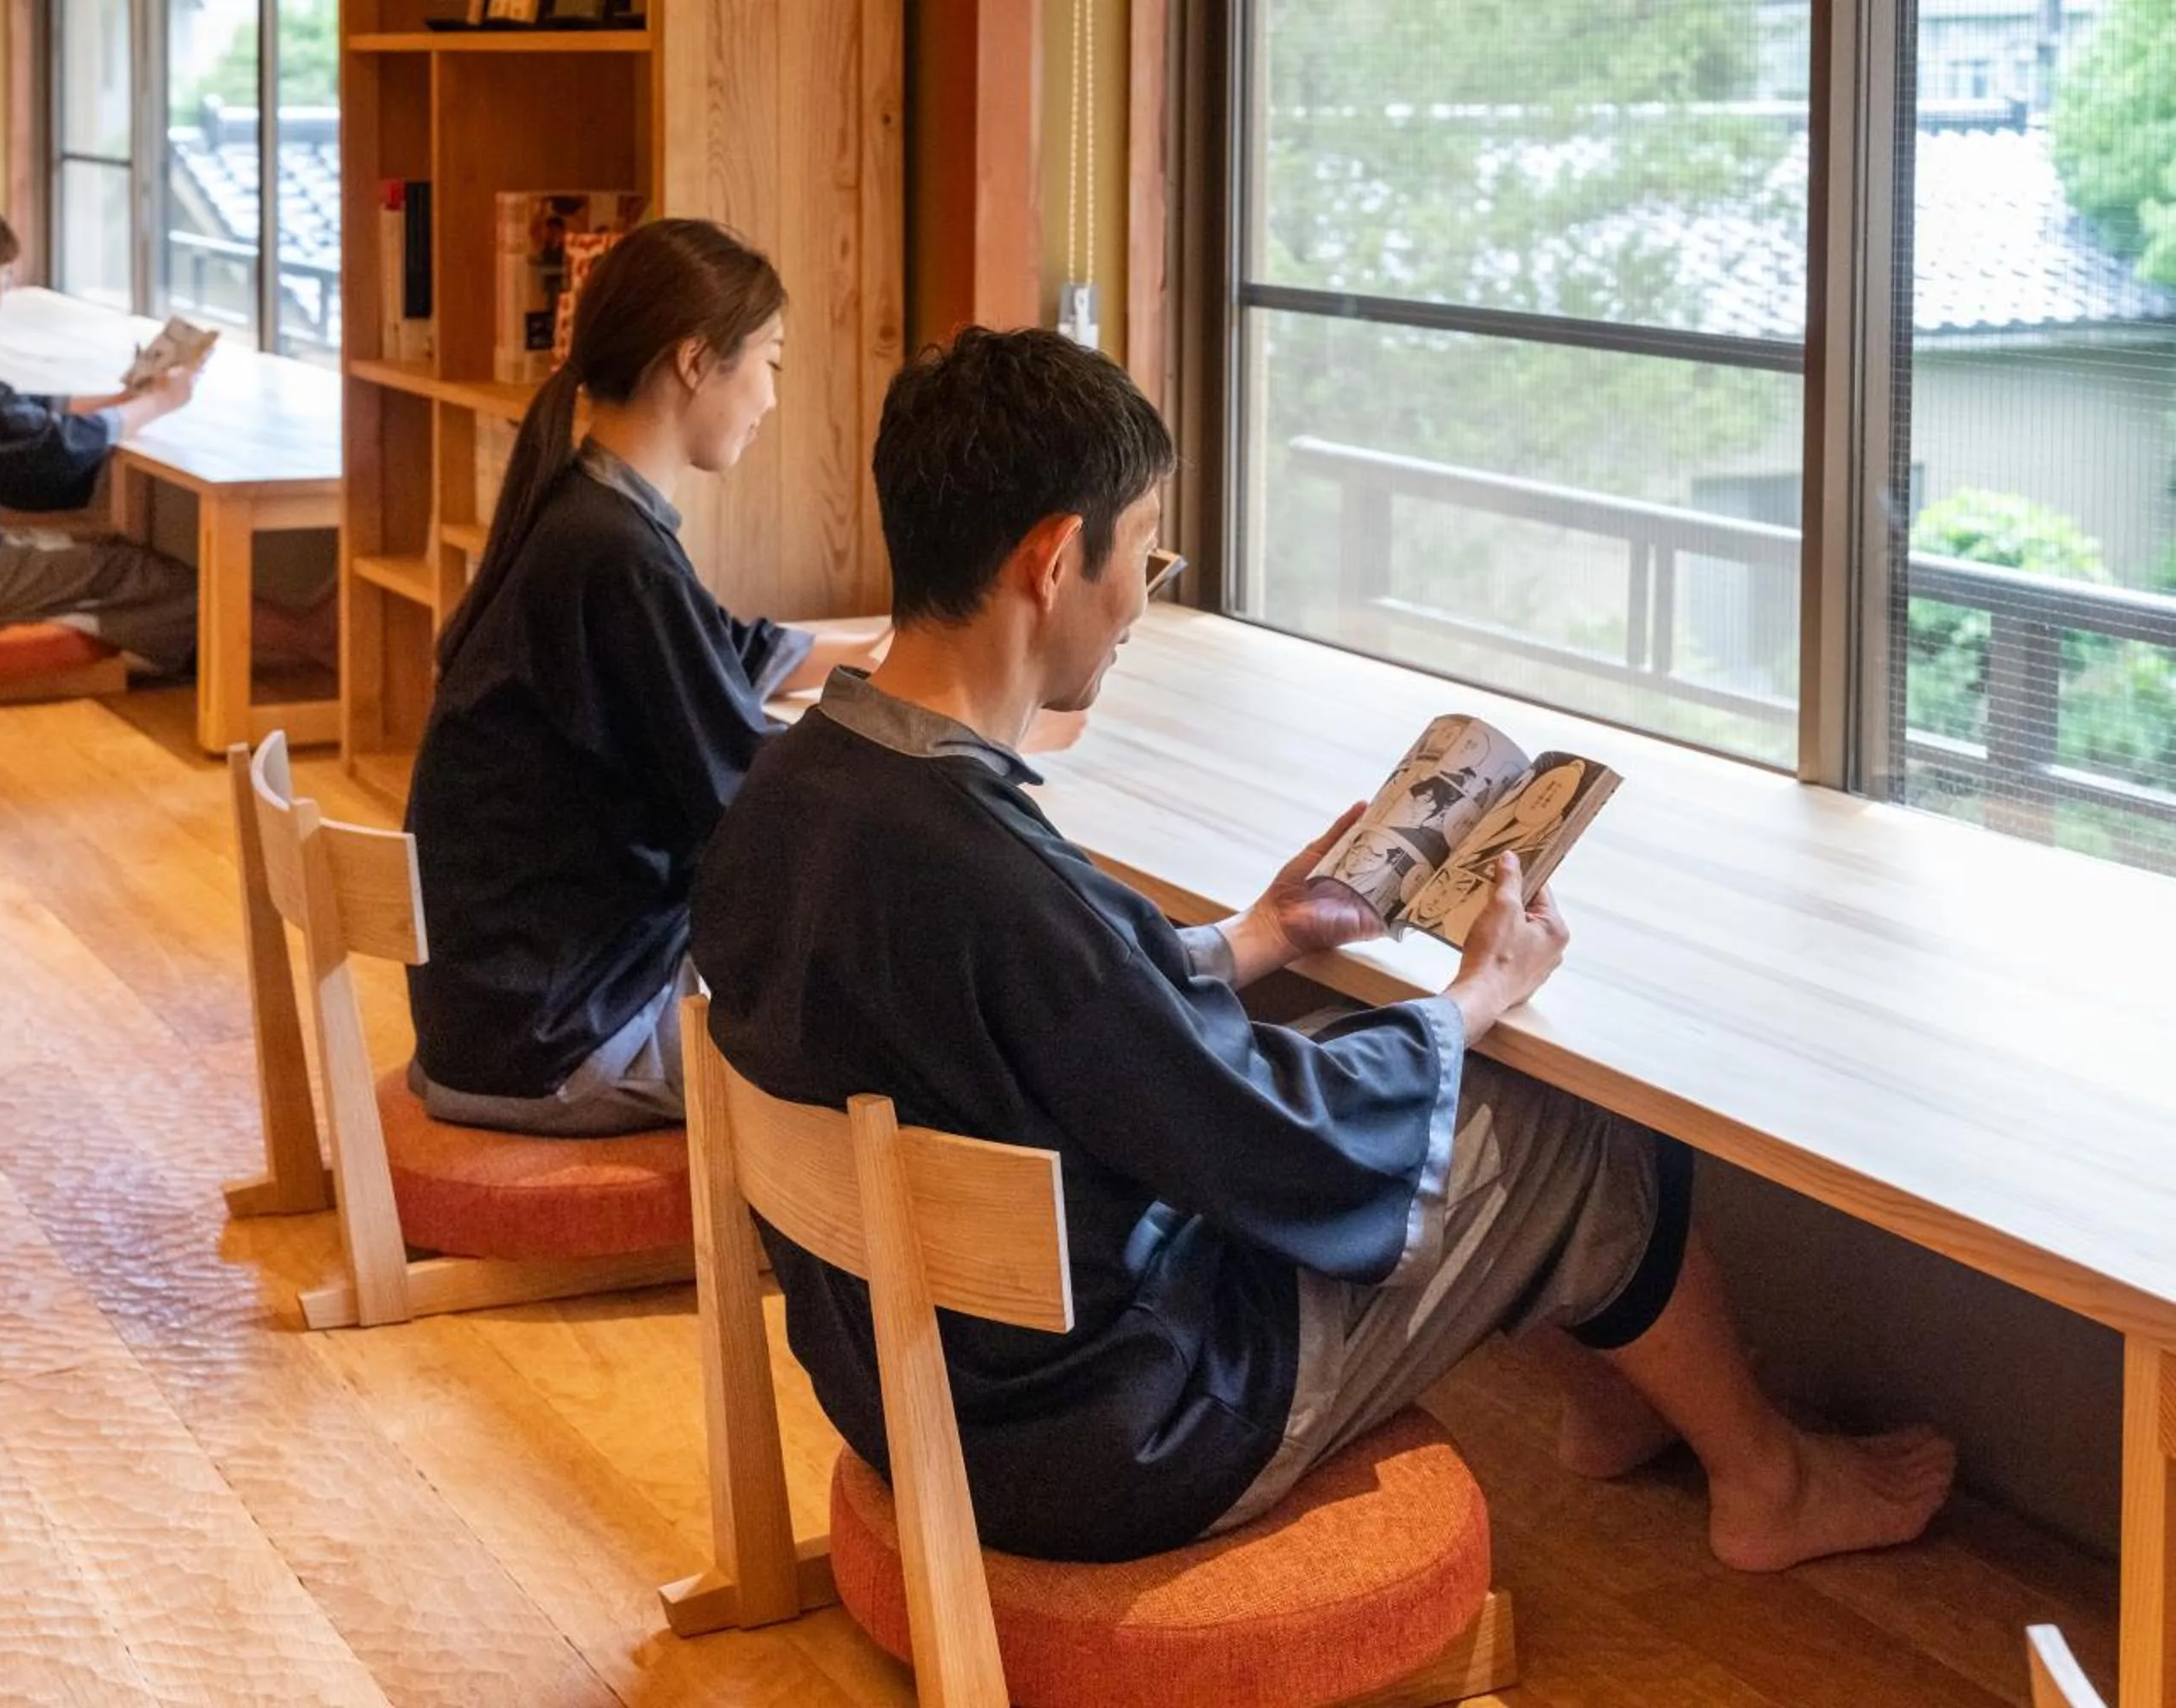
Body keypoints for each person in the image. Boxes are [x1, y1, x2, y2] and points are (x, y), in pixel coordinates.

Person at [690, 326, 1957, 1571]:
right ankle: (1770, 1482)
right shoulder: (995, 871)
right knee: (1558, 1121)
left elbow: (1059, 1010)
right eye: (1142, 552)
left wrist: (1265, 934)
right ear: (1054, 559)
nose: (1140, 598)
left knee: (1347, 1048)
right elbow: (1257, 1127)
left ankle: (1624, 1405)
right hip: (1108, 1439)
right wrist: (1474, 997)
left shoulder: (795, 788)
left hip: (914, 1391)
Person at [401, 219, 885, 1138]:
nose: (772, 398)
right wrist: (904, 746)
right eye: (770, 362)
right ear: (697, 360)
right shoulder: (613, 552)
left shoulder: (583, 509)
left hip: (504, 1012)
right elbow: (748, 802)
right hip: (558, 1041)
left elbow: (703, 648)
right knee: (889, 1038)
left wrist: (863, 652)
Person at [0, 196, 327, 674]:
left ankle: (277, 639)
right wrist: (157, 405)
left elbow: (3, 414)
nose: (5, 288)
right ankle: (313, 638)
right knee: (129, 571)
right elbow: (41, 450)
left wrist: (116, 402)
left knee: (107, 562)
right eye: (3, 275)